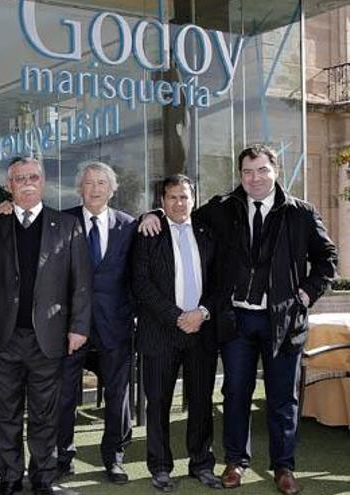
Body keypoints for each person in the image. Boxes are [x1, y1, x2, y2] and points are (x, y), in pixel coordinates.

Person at [140, 144, 337, 495]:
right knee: (235, 393)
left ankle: (284, 466)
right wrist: (152, 213)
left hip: (283, 323)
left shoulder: (301, 213)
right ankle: (236, 461)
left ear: (276, 171)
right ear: (240, 175)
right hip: (236, 323)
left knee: (282, 399)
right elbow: (181, 214)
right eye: (248, 172)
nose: (255, 178)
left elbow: (327, 260)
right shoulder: (222, 208)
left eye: (262, 170)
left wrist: (305, 295)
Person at [0, 156, 92, 495]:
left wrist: (79, 327)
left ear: (44, 182)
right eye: (19, 178)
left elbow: (81, 282)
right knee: (5, 413)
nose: (27, 183)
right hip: (2, 337)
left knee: (45, 414)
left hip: (49, 338)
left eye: (33, 177)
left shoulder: (67, 226)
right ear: (9, 185)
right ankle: (10, 476)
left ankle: (43, 477)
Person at [132, 175, 222, 492]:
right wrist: (176, 316)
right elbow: (141, 283)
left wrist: (202, 313)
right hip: (160, 332)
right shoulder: (147, 232)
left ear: (193, 199)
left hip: (201, 331)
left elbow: (220, 283)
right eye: (172, 197)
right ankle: (159, 467)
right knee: (157, 404)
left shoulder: (208, 233)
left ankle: (201, 464)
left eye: (184, 197)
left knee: (200, 402)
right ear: (161, 201)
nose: (179, 203)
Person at [55, 161, 135, 484]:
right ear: (80, 189)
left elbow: (136, 274)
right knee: (64, 395)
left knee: (118, 395)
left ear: (112, 189)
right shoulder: (62, 222)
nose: (96, 188)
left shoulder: (129, 226)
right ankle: (63, 455)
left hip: (115, 326)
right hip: (71, 328)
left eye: (102, 183)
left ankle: (114, 457)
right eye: (89, 183)